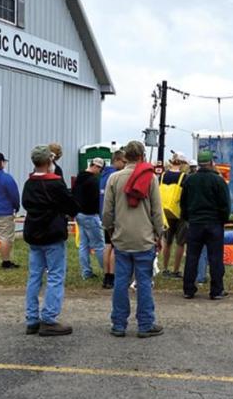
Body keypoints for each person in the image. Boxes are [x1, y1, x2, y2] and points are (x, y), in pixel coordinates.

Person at [102, 140, 165, 338]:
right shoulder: (151, 178)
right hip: (144, 238)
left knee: (121, 281)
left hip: (122, 238)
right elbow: (156, 210)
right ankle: (145, 324)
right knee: (144, 281)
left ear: (125, 156)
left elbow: (107, 212)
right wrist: (159, 233)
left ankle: (119, 324)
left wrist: (110, 230)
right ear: (142, 156)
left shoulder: (114, 178)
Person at [22, 145, 81, 336]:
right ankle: (49, 318)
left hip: (34, 233)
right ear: (49, 161)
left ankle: (32, 318)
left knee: (35, 276)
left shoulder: (29, 183)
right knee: (55, 275)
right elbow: (72, 206)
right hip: (52, 233)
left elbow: (26, 203)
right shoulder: (55, 184)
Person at [180, 150, 231, 300]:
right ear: (211, 163)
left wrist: (187, 218)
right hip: (214, 224)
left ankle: (188, 289)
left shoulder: (190, 180)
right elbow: (225, 204)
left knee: (192, 257)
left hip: (195, 223)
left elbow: (183, 203)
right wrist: (223, 219)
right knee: (215, 258)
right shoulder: (218, 180)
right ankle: (216, 290)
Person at [72, 157, 106, 280]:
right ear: (96, 166)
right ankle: (108, 272)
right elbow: (96, 200)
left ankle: (86, 272)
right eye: (100, 169)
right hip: (90, 215)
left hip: (79, 215)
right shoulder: (93, 181)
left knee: (83, 245)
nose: (100, 172)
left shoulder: (79, 178)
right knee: (99, 245)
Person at [100, 149, 126, 289]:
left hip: (104, 215)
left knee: (107, 245)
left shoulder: (104, 176)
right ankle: (113, 275)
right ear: (117, 160)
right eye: (124, 161)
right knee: (116, 247)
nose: (125, 164)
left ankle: (106, 276)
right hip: (115, 215)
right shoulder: (115, 176)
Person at [160, 152, 188, 278]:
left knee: (167, 241)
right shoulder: (184, 177)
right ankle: (176, 270)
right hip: (179, 212)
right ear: (181, 163)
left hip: (165, 212)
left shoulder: (163, 175)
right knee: (180, 243)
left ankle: (165, 268)